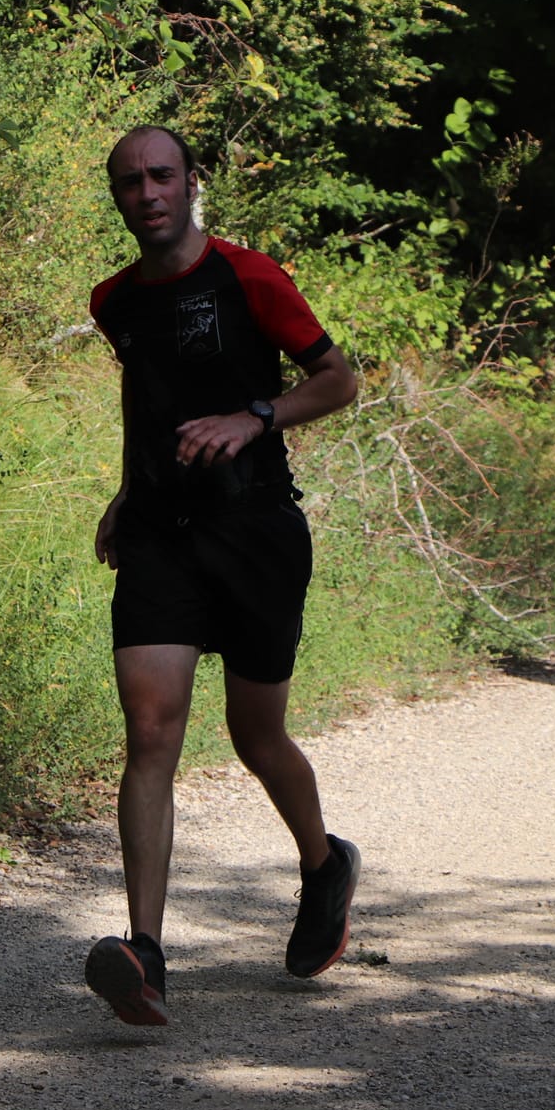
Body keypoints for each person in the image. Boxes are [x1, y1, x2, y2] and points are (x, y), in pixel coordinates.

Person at [82, 125, 362, 1026]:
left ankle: (324, 866)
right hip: (163, 535)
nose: (148, 192)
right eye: (130, 181)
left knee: (256, 734)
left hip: (255, 530)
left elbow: (337, 378)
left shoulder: (251, 276)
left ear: (192, 182)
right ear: (118, 197)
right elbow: (146, 393)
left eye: (162, 175)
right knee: (151, 730)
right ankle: (145, 952)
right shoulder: (113, 300)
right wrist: (129, 490)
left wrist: (255, 417)